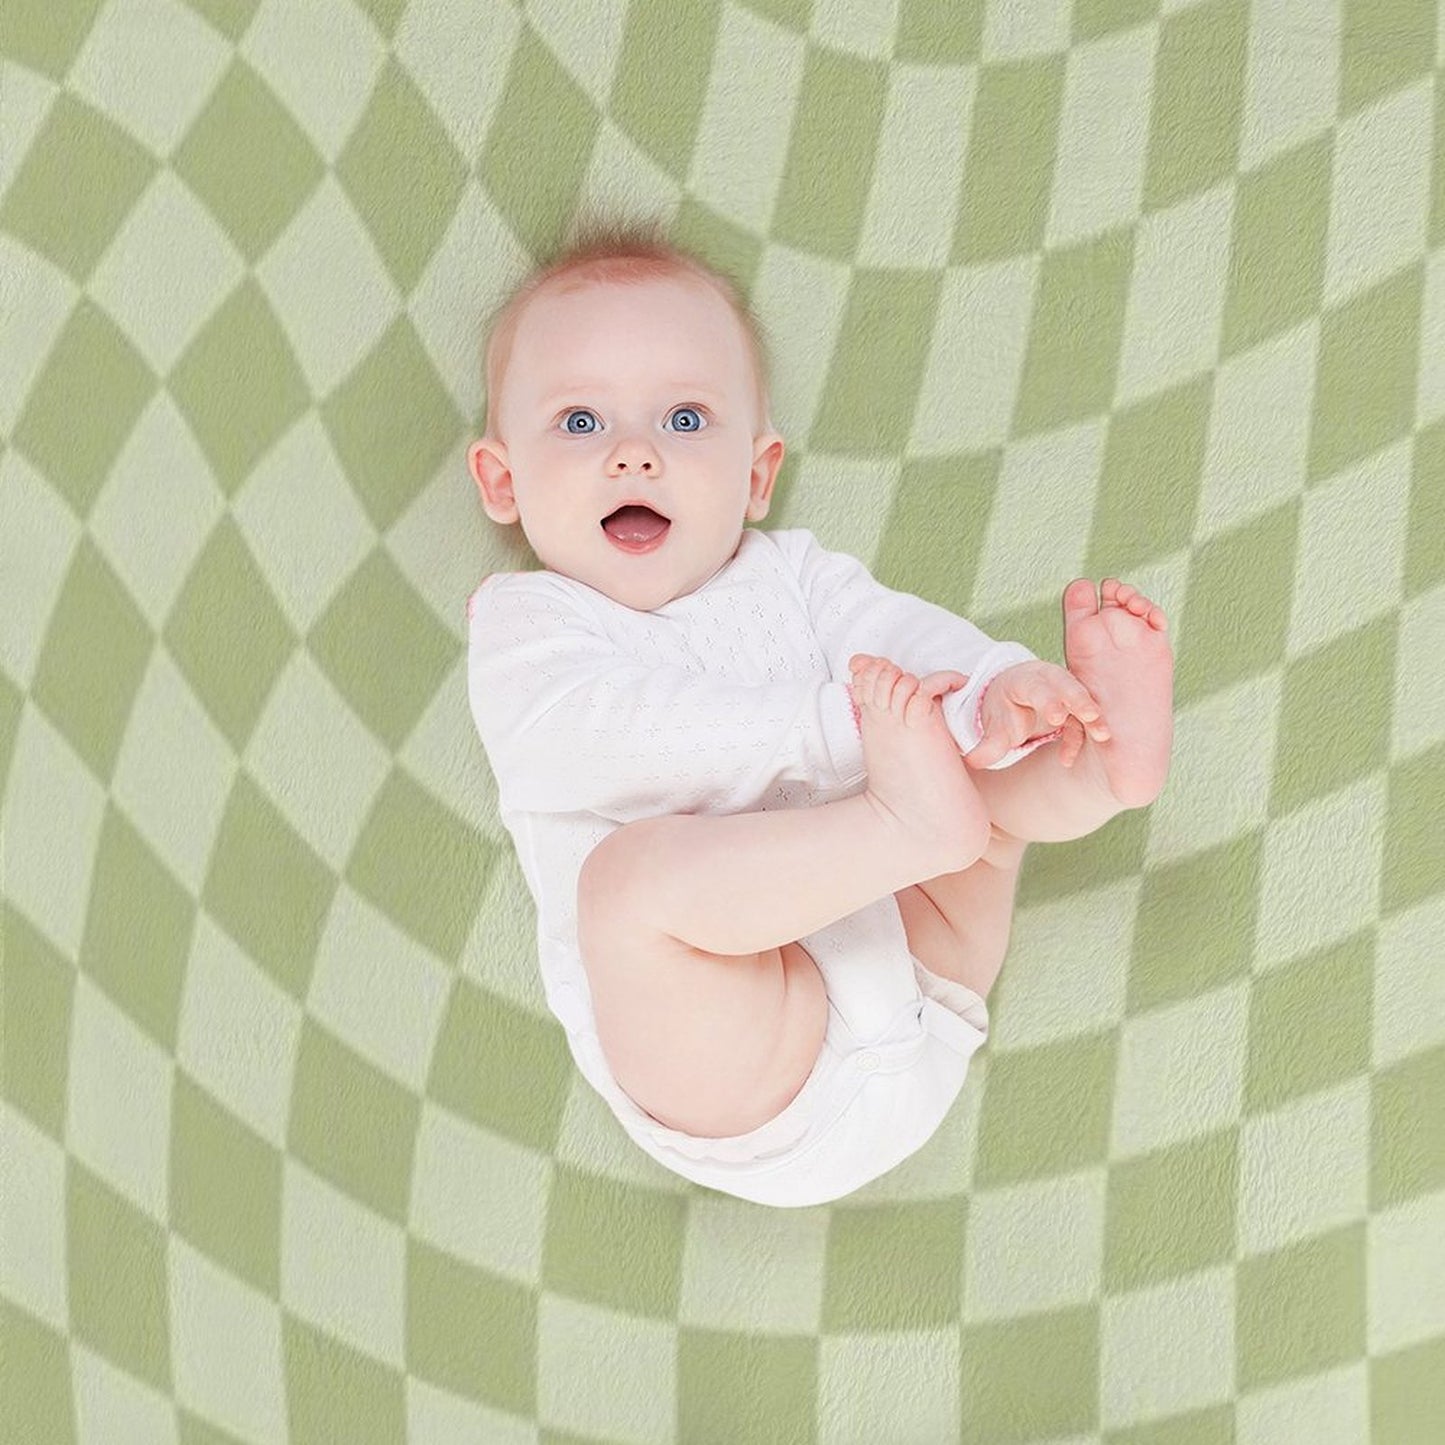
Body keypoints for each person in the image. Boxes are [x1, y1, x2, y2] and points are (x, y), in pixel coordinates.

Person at [464, 217, 1175, 1207]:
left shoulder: (791, 575)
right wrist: (847, 731)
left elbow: (904, 642)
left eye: (683, 421)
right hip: (752, 1064)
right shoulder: (528, 627)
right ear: (501, 479)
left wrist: (992, 690)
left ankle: (1093, 763)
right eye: (580, 422)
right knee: (626, 890)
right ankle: (911, 819)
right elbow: (618, 735)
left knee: (983, 777)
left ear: (757, 474)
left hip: (923, 972)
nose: (633, 455)